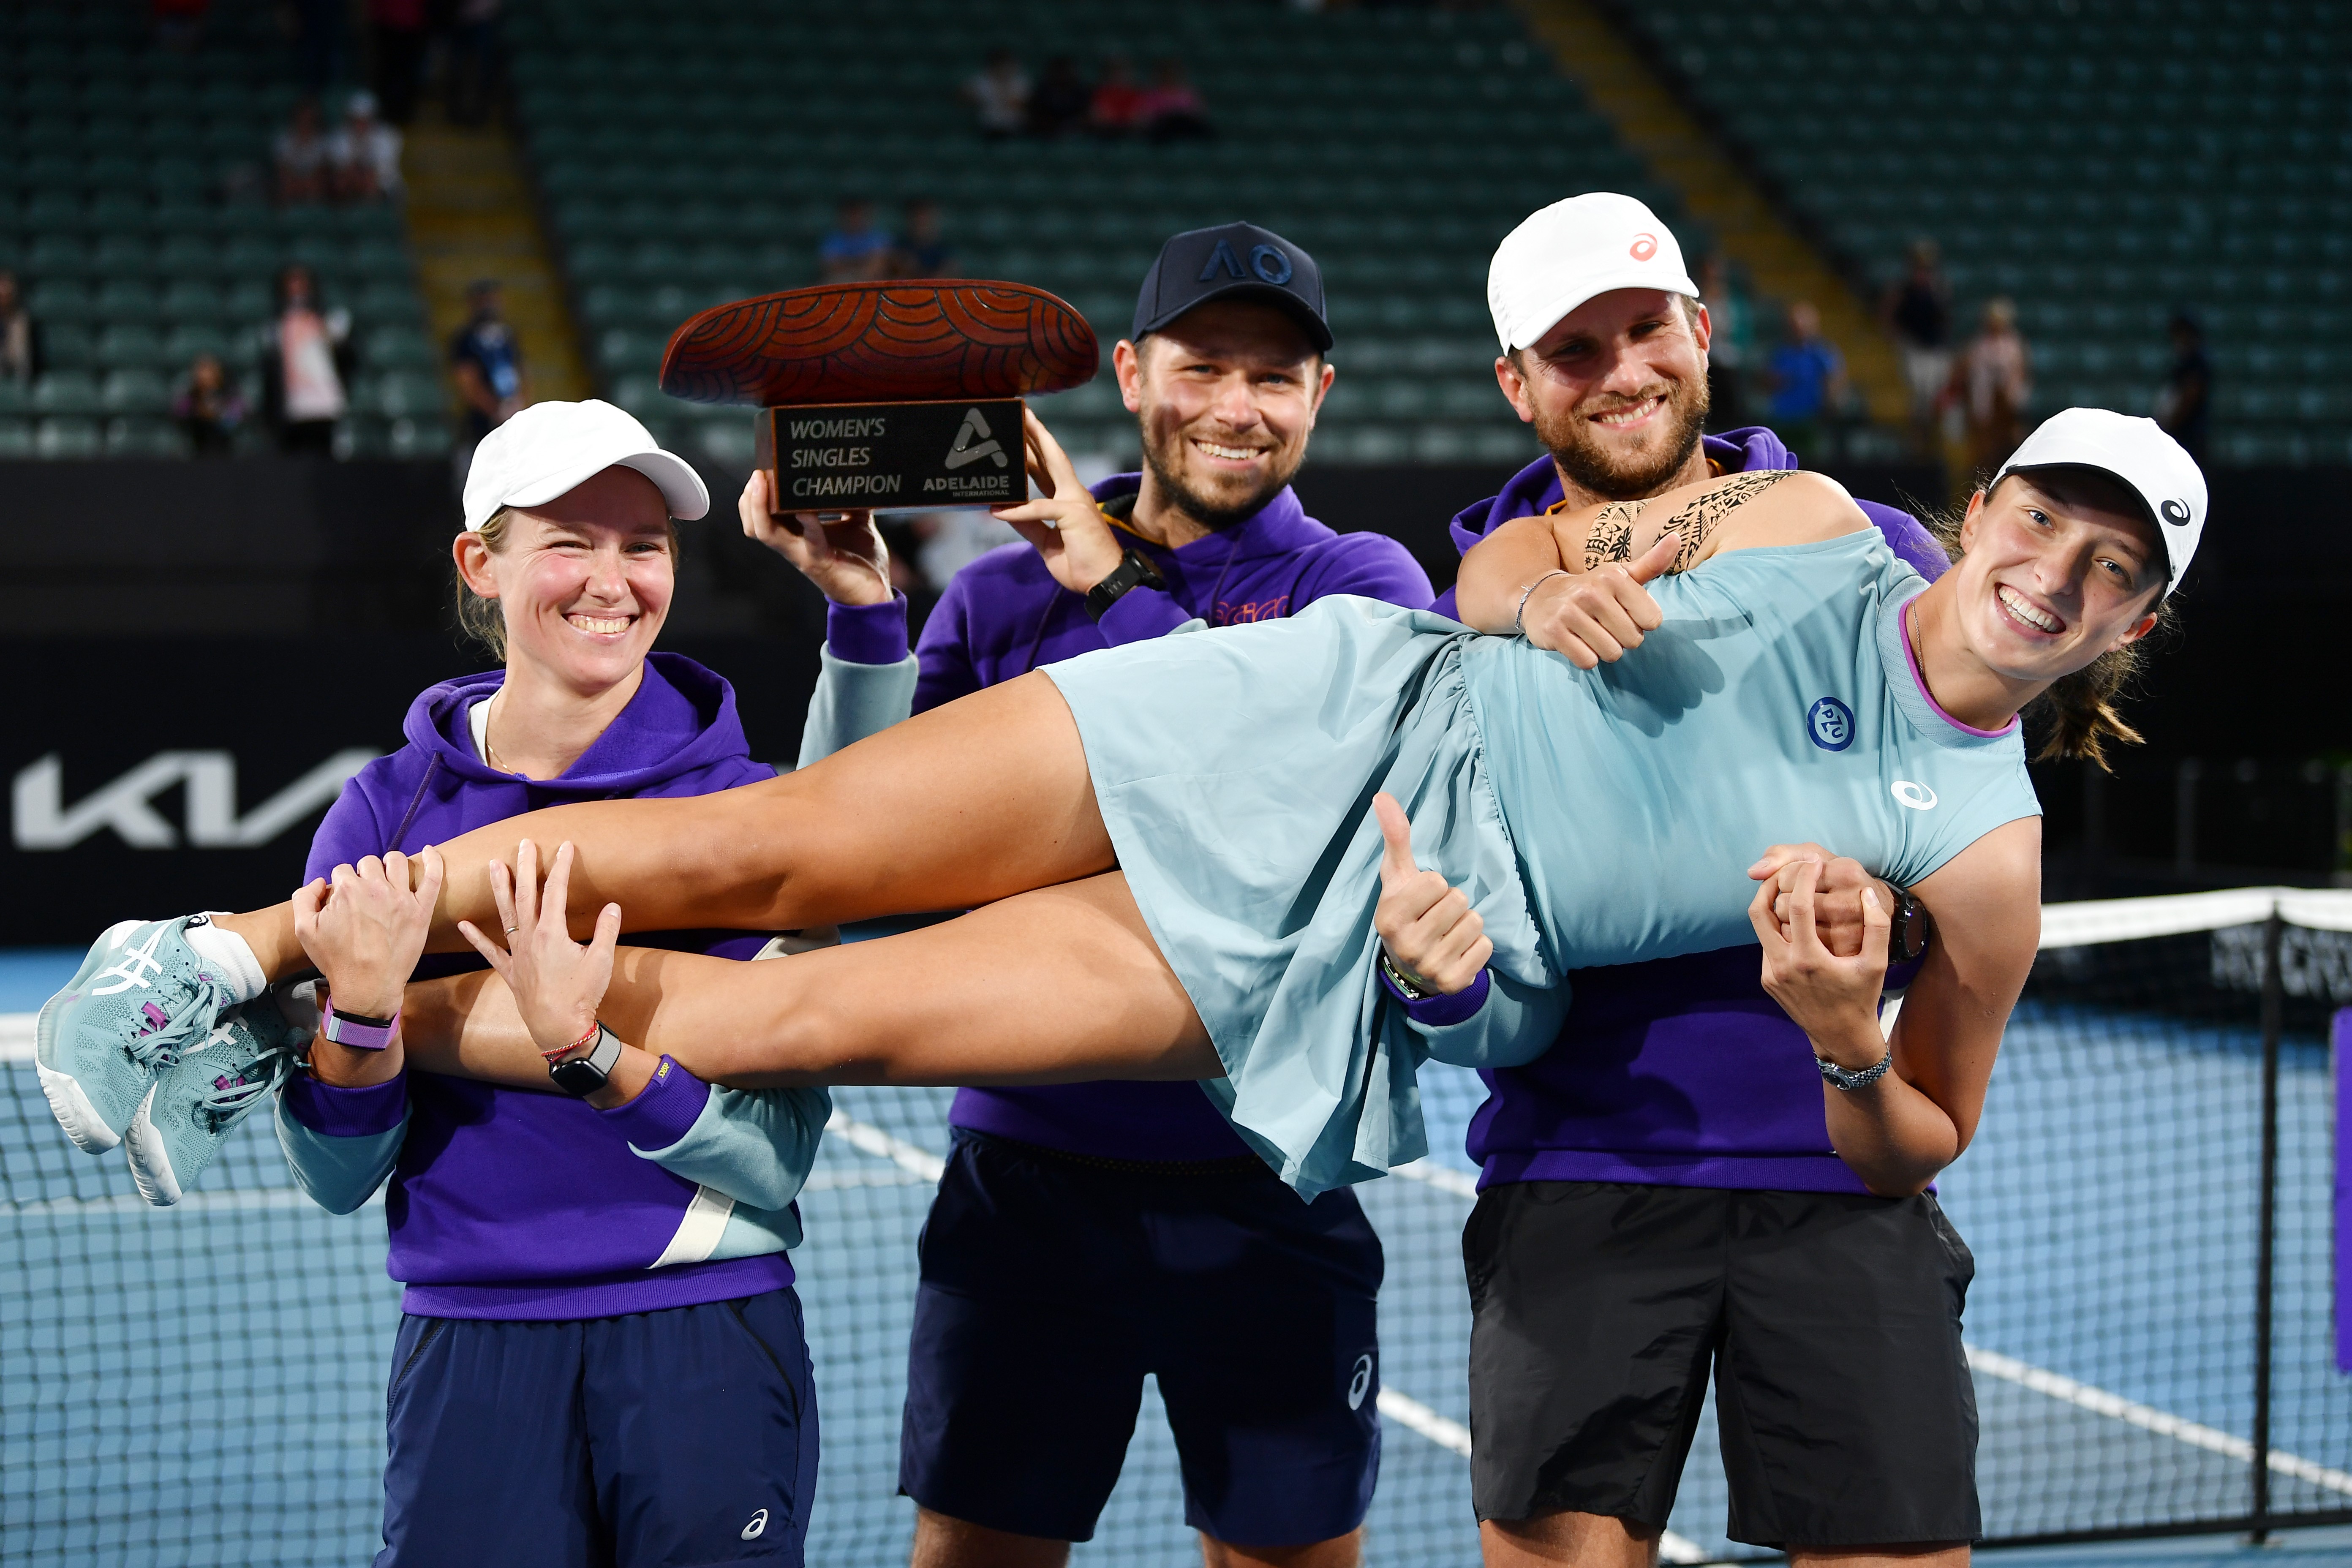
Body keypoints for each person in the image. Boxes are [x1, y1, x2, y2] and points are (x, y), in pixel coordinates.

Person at [745, 222, 1431, 1568]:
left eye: (1275, 377)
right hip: (1029, 1185)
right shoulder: (995, 595)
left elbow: (1279, 791)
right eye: (1202, 366)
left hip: (1269, 1177)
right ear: (1128, 374)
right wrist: (865, 613)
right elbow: (864, 862)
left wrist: (1110, 588)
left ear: (1319, 398)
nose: (1237, 407)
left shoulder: (1365, 586)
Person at [113, 401, 834, 1564]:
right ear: (480, 563)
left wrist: (588, 1054)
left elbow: (776, 1153)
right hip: (471, 1348)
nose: (614, 580)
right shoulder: (382, 815)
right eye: (570, 541)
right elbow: (341, 1175)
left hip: (703, 1329)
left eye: (643, 544)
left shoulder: (741, 809)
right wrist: (358, 1018)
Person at [258, 264, 351, 455]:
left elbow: (347, 358)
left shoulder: (328, 320)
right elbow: (271, 370)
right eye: (291, 283)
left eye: (301, 283)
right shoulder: (276, 325)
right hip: (291, 405)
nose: (297, 289)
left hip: (324, 404)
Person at [1948, 297, 2032, 477]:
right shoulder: (1978, 345)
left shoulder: (2014, 345)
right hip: (1980, 411)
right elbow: (1964, 371)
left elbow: (2020, 375)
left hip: (2007, 410)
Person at [1885, 239, 1954, 454]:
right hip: (1914, 349)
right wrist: (1898, 339)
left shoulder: (1939, 289)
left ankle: (1935, 444)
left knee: (1938, 400)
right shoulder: (1904, 290)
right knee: (1920, 400)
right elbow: (1890, 314)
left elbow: (1946, 320)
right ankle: (1917, 443)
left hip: (1936, 350)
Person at [1763, 299, 1846, 462]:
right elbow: (1766, 383)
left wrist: (1830, 403)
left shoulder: (1822, 354)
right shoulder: (1780, 353)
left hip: (1812, 421)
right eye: (1795, 324)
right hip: (1783, 421)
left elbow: (1835, 380)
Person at [450, 278, 526, 451]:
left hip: (513, 415)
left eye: (493, 300)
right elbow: (467, 383)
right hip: (482, 423)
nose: (491, 306)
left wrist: (519, 406)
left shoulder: (508, 335)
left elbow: (522, 371)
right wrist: (496, 410)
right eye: (485, 301)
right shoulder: (465, 339)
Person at [1693, 252, 1753, 431]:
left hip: (1730, 362)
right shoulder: (1695, 298)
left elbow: (1743, 332)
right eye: (1709, 272)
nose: (1713, 276)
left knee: (1731, 405)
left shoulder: (1734, 301)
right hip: (1705, 359)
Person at [2154, 310, 2210, 463]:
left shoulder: (2196, 364)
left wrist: (2169, 424)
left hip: (2189, 438)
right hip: (2179, 436)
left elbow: (2191, 395)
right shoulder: (2181, 364)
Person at [329, 90, 403, 202]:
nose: (361, 125)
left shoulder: (388, 136)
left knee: (371, 183)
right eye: (357, 120)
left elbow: (380, 173)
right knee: (341, 183)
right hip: (352, 184)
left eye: (365, 120)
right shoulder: (339, 137)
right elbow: (342, 170)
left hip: (385, 188)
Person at [172, 352, 246, 454]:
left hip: (226, 449)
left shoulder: (230, 395)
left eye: (210, 371)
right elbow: (179, 416)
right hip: (196, 449)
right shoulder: (189, 395)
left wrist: (218, 414)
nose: (205, 376)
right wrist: (198, 412)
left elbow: (236, 421)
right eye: (201, 370)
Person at [818, 197, 893, 284]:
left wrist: (849, 263)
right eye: (851, 214)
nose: (855, 218)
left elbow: (879, 264)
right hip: (842, 282)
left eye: (858, 214)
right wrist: (863, 262)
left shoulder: (878, 238)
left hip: (871, 281)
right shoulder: (833, 240)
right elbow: (833, 267)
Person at [273, 96, 332, 205]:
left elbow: (323, 169)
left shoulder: (323, 141)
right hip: (291, 181)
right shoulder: (284, 139)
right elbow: (283, 169)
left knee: (317, 185)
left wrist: (308, 182)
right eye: (303, 117)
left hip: (313, 182)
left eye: (309, 117)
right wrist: (297, 182)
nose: (306, 120)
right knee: (286, 185)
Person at [963, 47, 1029, 140]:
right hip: (988, 128)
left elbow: (1019, 105)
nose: (1004, 69)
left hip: (1016, 128)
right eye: (1001, 66)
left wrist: (1005, 88)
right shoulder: (982, 82)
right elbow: (963, 97)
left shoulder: (1020, 82)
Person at [1141, 59, 1213, 142]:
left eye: (1172, 74)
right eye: (1167, 74)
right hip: (1165, 130)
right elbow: (1148, 118)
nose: (1170, 77)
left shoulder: (1187, 95)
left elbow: (1198, 115)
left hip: (1186, 128)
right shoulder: (1153, 96)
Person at [890, 198, 958, 280]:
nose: (921, 220)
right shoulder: (901, 245)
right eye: (917, 216)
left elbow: (949, 273)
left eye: (924, 216)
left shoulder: (943, 248)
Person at [1025, 55, 1092, 139]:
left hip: (1075, 132)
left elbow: (1085, 115)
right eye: (1059, 72)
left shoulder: (1080, 92)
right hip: (1047, 134)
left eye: (1065, 73)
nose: (1062, 77)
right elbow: (1037, 114)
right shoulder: (1043, 92)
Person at [1088, 54, 1146, 136]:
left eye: (1122, 72)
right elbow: (1100, 118)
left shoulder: (1135, 94)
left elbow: (1138, 118)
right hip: (1107, 134)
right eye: (1116, 72)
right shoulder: (1103, 93)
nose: (1119, 76)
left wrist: (1119, 118)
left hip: (1130, 134)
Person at [0, 270, 36, 386]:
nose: (4, 300)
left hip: (23, 379)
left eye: (8, 296)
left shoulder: (26, 322)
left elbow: (35, 360)